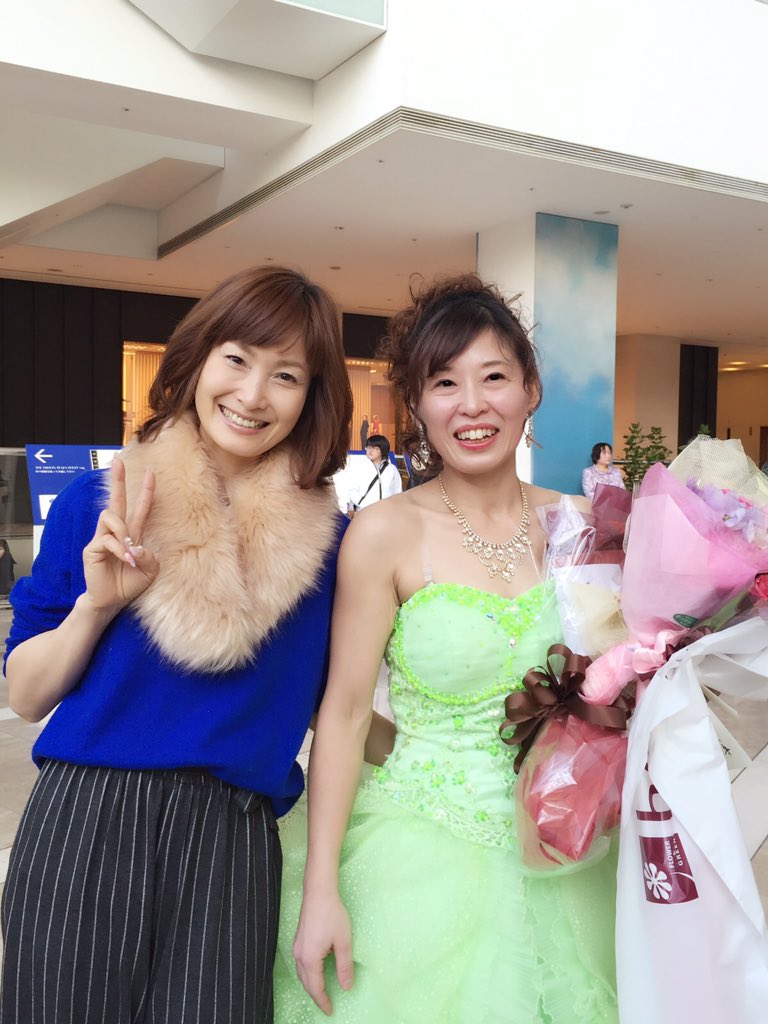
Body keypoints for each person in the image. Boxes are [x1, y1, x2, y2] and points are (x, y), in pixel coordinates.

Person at [1, 266, 356, 1024]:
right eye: (237, 359)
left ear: (313, 396)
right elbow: (26, 695)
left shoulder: (335, 546)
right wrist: (96, 608)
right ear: (197, 360)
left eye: (286, 375)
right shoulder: (101, 502)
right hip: (85, 819)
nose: (253, 395)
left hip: (233, 839)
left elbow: (346, 713)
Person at [274, 274, 619, 1022]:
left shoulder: (581, 524)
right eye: (443, 383)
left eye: (494, 377)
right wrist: (323, 887)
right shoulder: (384, 533)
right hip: (419, 849)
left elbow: (619, 688)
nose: (471, 404)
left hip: (572, 843)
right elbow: (343, 716)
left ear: (530, 391)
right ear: (417, 405)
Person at [347, 435, 403, 514]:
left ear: (383, 450)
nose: (370, 451)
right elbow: (352, 489)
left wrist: (393, 508)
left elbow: (397, 491)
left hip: (387, 512)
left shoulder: (391, 469)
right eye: (368, 447)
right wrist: (362, 504)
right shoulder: (359, 468)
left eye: (375, 448)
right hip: (365, 511)